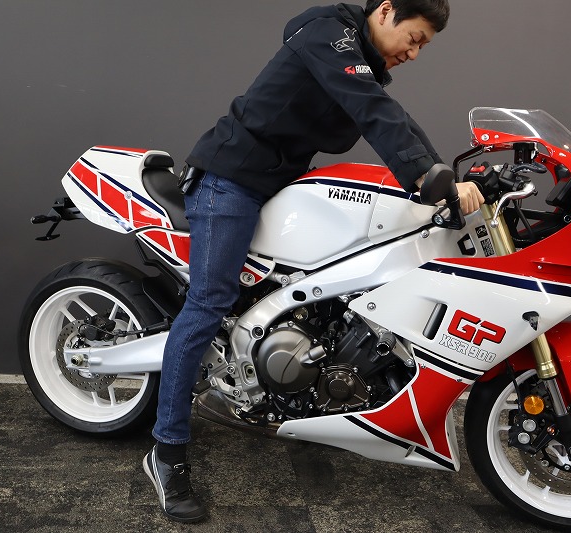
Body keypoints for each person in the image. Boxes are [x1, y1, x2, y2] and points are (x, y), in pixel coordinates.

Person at [142, 0, 484, 523]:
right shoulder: (327, 33)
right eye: (414, 39)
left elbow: (396, 117)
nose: (414, 53)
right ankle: (166, 452)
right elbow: (371, 108)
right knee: (210, 301)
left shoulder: (362, 60)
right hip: (231, 179)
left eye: (422, 47)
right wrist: (424, 175)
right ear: (386, 11)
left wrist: (444, 179)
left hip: (280, 184)